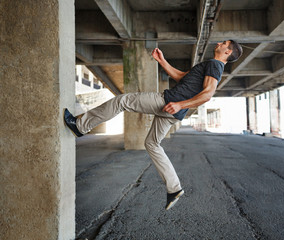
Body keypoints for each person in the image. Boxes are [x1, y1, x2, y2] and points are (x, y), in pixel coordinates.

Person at [64, 40, 243, 210]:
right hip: (173, 113)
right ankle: (174, 188)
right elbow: (182, 77)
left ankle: (80, 126)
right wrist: (162, 61)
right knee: (152, 144)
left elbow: (207, 94)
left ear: (227, 52)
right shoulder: (210, 65)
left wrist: (180, 104)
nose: (219, 43)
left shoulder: (215, 64)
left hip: (169, 102)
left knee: (122, 101)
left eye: (224, 44)